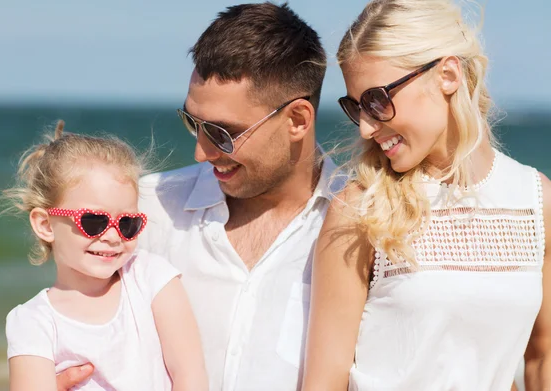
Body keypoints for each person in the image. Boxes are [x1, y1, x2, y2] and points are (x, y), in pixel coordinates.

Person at [53, 3, 342, 391]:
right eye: (194, 123)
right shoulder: (143, 212)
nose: (201, 153)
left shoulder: (367, 221)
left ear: (297, 120)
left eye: (223, 133)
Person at [302, 0, 551, 390]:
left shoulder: (537, 202)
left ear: (447, 75)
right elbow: (324, 381)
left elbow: (542, 358)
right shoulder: (360, 208)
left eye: (377, 101)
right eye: (356, 107)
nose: (366, 128)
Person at [1, 121, 208, 391]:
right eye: (94, 221)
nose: (112, 236)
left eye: (127, 223)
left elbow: (190, 375)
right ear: (45, 225)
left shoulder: (151, 279)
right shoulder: (32, 322)